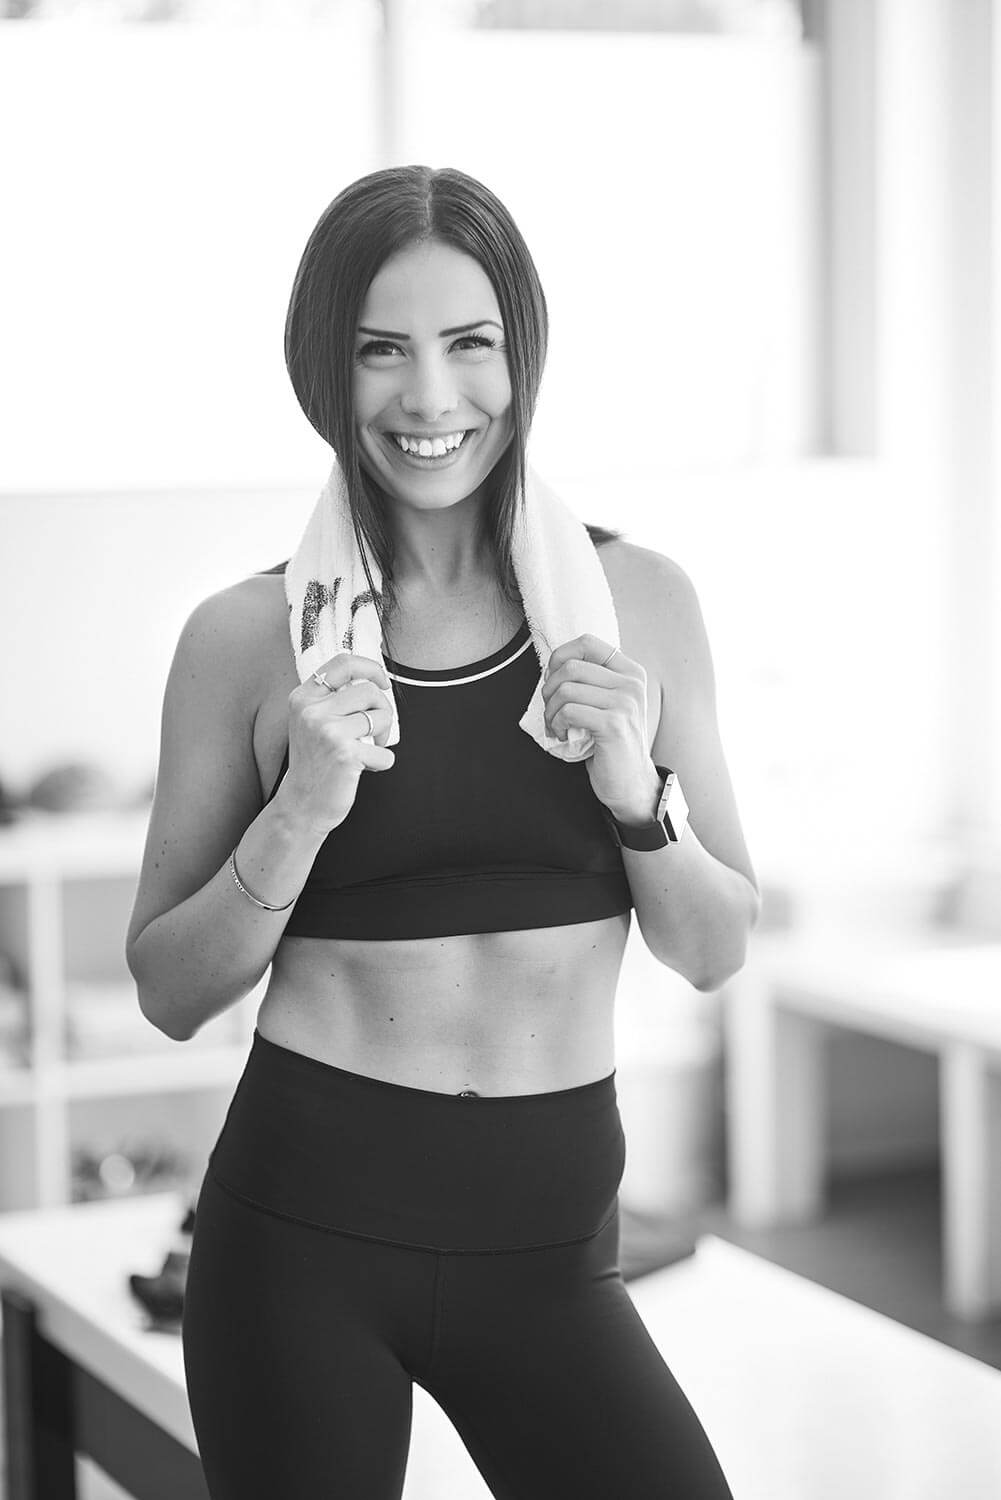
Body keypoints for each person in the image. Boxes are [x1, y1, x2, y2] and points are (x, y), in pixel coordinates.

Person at [126, 164, 759, 1499]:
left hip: (550, 1255)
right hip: (298, 1246)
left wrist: (635, 796)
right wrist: (301, 808)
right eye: (380, 351)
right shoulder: (246, 641)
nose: (430, 398)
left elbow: (713, 949)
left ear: (521, 355)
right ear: (324, 369)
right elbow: (171, 991)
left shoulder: (639, 605)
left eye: (469, 344)